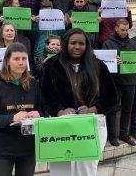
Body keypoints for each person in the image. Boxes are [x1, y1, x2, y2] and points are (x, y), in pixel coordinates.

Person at [41, 28, 118, 176]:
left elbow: (111, 96)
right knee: (62, 170)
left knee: (86, 170)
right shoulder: (52, 65)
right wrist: (59, 111)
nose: (77, 47)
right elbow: (46, 96)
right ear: (65, 44)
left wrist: (93, 109)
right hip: (61, 125)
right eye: (73, 43)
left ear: (87, 45)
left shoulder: (98, 65)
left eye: (81, 43)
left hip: (91, 125)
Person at [0, 42, 43, 176]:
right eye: (16, 59)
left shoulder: (34, 85)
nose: (21, 62)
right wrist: (12, 118)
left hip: (28, 149)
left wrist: (39, 113)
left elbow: (45, 112)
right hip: (3, 150)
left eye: (24, 59)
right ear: (7, 61)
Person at [102, 19, 136, 146]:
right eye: (122, 30)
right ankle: (112, 136)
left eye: (126, 30)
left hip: (130, 82)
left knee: (127, 110)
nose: (124, 32)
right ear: (116, 29)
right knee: (112, 110)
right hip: (114, 83)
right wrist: (113, 61)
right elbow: (102, 64)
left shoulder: (133, 44)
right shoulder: (108, 44)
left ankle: (124, 134)